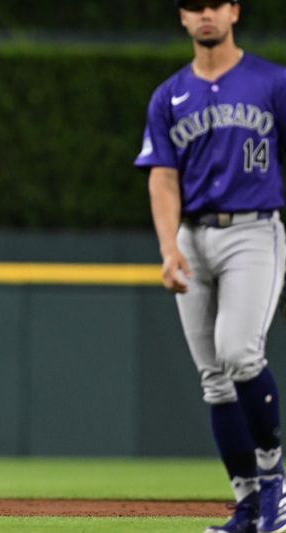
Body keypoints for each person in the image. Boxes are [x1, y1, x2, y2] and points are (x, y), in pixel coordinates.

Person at [135, 1, 286, 532]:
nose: (205, 14)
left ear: (234, 11)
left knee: (239, 354)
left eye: (215, 4)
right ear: (182, 17)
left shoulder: (273, 82)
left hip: (253, 229)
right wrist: (168, 247)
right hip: (191, 235)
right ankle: (247, 505)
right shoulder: (169, 94)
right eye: (194, 6)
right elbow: (162, 176)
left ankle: (274, 483)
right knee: (215, 382)